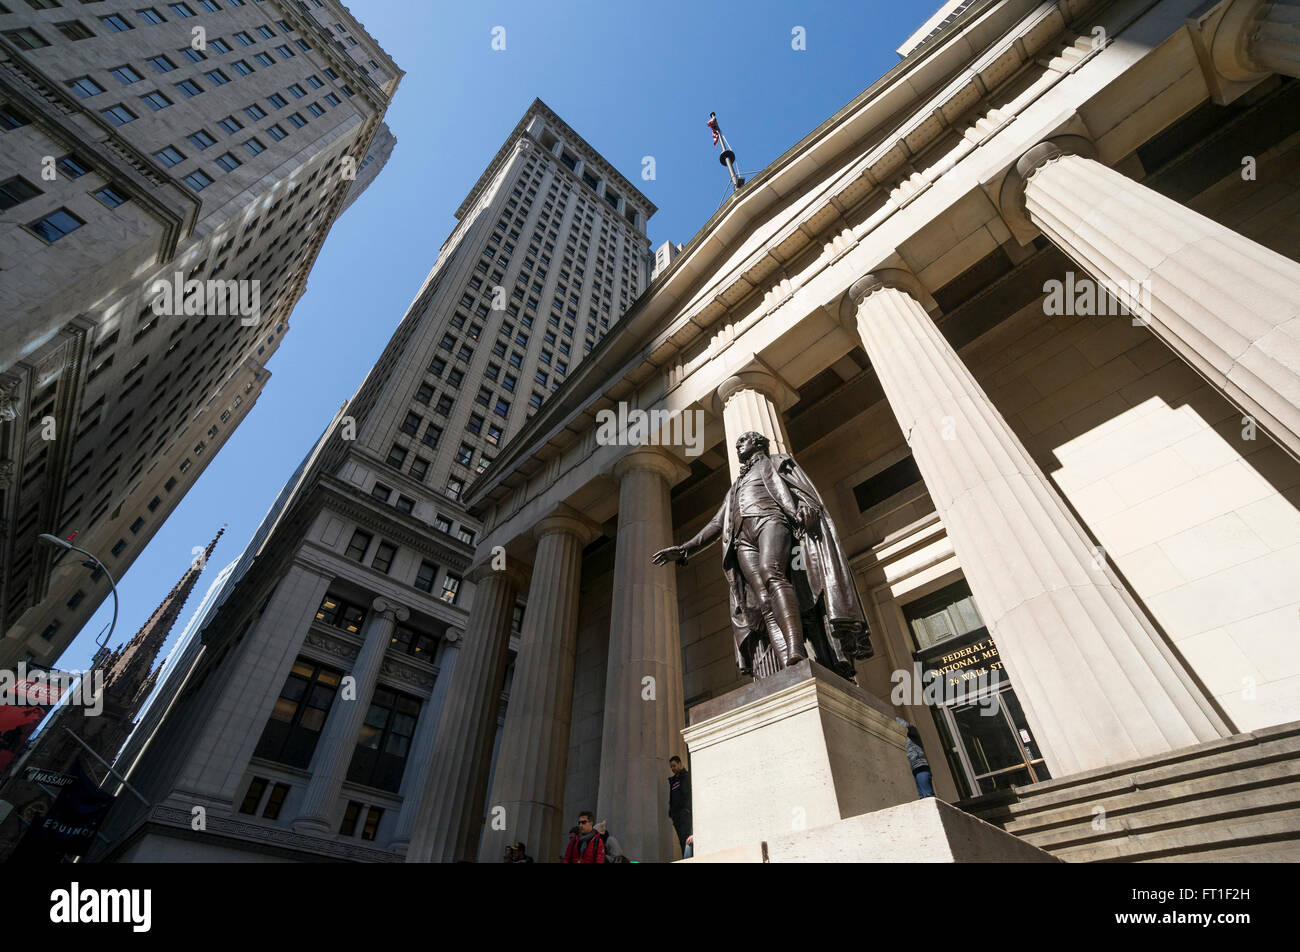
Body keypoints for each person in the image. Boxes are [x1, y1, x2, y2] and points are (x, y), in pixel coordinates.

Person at [895, 717, 934, 798]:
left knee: (928, 795)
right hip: (916, 769)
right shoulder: (906, 740)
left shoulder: (912, 733)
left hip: (921, 767)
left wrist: (895, 719)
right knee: (922, 797)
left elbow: (907, 726)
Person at [667, 755, 692, 854]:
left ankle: (688, 858)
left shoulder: (686, 777)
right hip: (676, 816)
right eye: (671, 767)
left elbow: (688, 793)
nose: (673, 768)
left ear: (680, 764)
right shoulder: (673, 781)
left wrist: (687, 809)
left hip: (684, 814)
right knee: (681, 840)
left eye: (674, 766)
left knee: (687, 839)